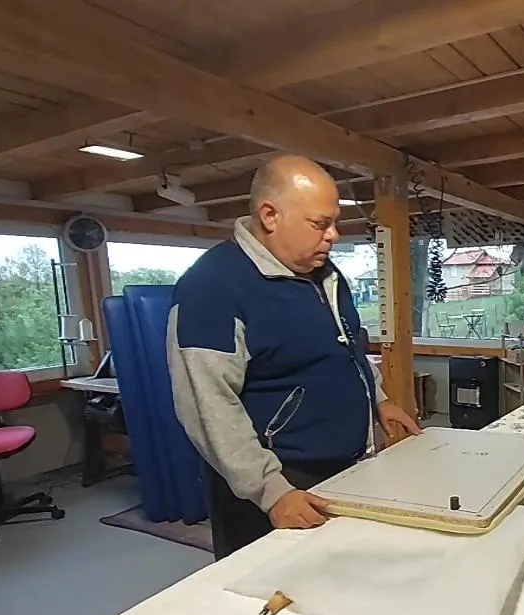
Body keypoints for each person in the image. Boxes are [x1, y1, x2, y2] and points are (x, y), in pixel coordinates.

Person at [167, 154, 421, 559]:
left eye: (334, 222)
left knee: (343, 577)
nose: (333, 235)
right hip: (276, 484)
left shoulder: (326, 274)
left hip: (344, 466)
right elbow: (207, 405)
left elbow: (347, 348)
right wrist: (271, 491)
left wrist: (378, 400)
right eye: (320, 224)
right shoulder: (211, 288)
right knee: (272, 587)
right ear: (270, 215)